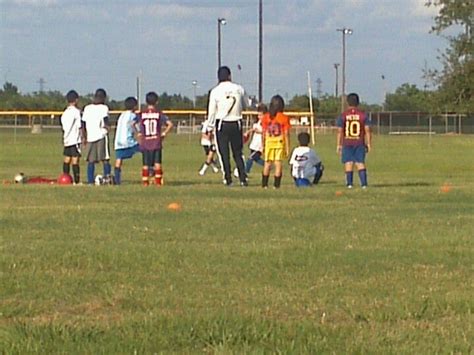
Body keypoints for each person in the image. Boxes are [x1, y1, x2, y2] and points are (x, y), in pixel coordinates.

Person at [207, 66, 247, 186]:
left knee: (224, 153)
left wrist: (209, 127)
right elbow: (245, 104)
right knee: (238, 153)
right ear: (229, 76)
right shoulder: (239, 88)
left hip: (222, 124)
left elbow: (212, 111)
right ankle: (242, 178)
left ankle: (228, 179)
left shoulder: (215, 91)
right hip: (236, 122)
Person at [137, 91, 173, 186]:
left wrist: (139, 132)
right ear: (156, 101)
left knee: (145, 165)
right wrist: (164, 133)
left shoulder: (142, 113)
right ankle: (158, 183)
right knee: (157, 163)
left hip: (145, 142)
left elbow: (132, 123)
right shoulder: (159, 113)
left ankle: (145, 182)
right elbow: (170, 124)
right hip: (156, 141)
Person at [336, 92, 372, 188]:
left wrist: (338, 145)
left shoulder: (343, 115)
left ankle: (349, 184)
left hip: (347, 142)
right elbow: (367, 130)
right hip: (359, 142)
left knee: (348, 162)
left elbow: (340, 131)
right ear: (358, 102)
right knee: (360, 162)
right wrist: (368, 143)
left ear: (347, 102)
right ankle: (364, 184)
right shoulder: (363, 115)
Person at [81, 88, 112, 185]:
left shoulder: (87, 108)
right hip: (101, 135)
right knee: (105, 159)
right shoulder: (104, 108)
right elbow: (106, 121)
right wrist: (108, 128)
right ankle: (107, 178)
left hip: (90, 136)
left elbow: (83, 124)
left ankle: (90, 181)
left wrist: (84, 137)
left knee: (91, 160)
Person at [261, 95, 291, 189]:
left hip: (269, 141)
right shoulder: (284, 118)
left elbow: (263, 133)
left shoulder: (266, 117)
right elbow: (286, 134)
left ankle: (264, 184)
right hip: (279, 142)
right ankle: (276, 185)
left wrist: (263, 145)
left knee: (267, 163)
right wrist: (287, 147)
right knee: (278, 164)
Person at [113, 96, 140, 185]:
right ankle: (150, 172)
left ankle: (117, 180)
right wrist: (138, 132)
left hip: (118, 142)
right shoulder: (133, 115)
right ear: (134, 106)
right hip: (128, 141)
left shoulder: (122, 115)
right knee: (145, 150)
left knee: (119, 159)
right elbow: (133, 125)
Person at [60, 90, 82, 184]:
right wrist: (83, 137)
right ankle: (76, 181)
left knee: (67, 159)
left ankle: (66, 177)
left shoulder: (65, 112)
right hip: (74, 139)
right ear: (76, 100)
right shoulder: (76, 112)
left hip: (67, 138)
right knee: (75, 160)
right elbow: (79, 126)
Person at [244, 103, 266, 174]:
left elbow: (265, 133)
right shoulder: (258, 122)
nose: (259, 116)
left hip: (259, 145)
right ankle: (267, 165)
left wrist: (263, 146)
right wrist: (248, 132)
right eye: (258, 115)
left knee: (250, 158)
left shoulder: (265, 123)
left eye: (261, 115)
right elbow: (254, 129)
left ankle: (245, 172)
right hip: (254, 144)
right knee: (256, 159)